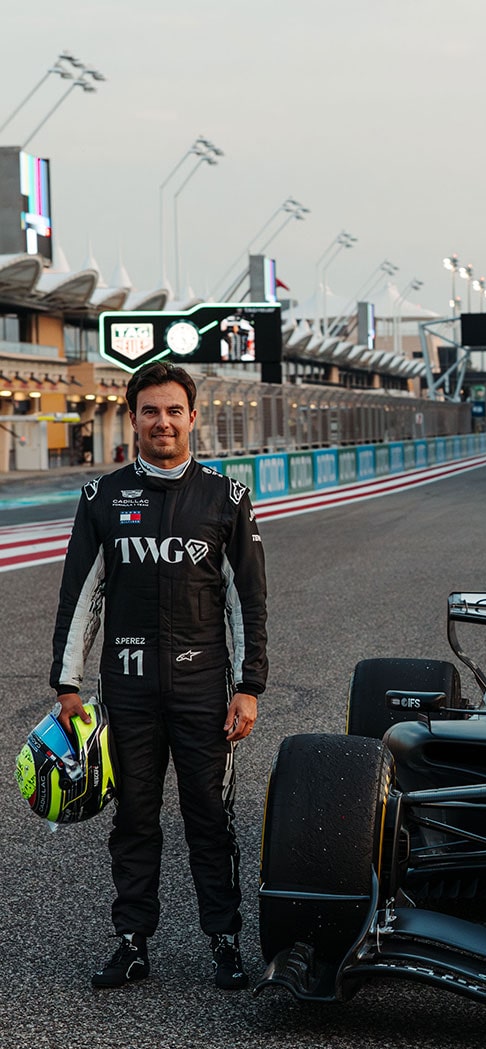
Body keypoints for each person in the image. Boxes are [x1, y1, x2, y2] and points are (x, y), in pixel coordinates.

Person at [50, 361, 268, 991]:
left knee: (209, 817)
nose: (163, 422)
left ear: (194, 418)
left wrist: (249, 686)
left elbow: (247, 602)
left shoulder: (226, 499)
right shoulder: (101, 499)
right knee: (134, 819)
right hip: (128, 690)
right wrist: (68, 684)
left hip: (204, 691)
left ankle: (224, 942)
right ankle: (131, 941)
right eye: (150, 411)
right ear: (134, 418)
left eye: (174, 411)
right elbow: (80, 596)